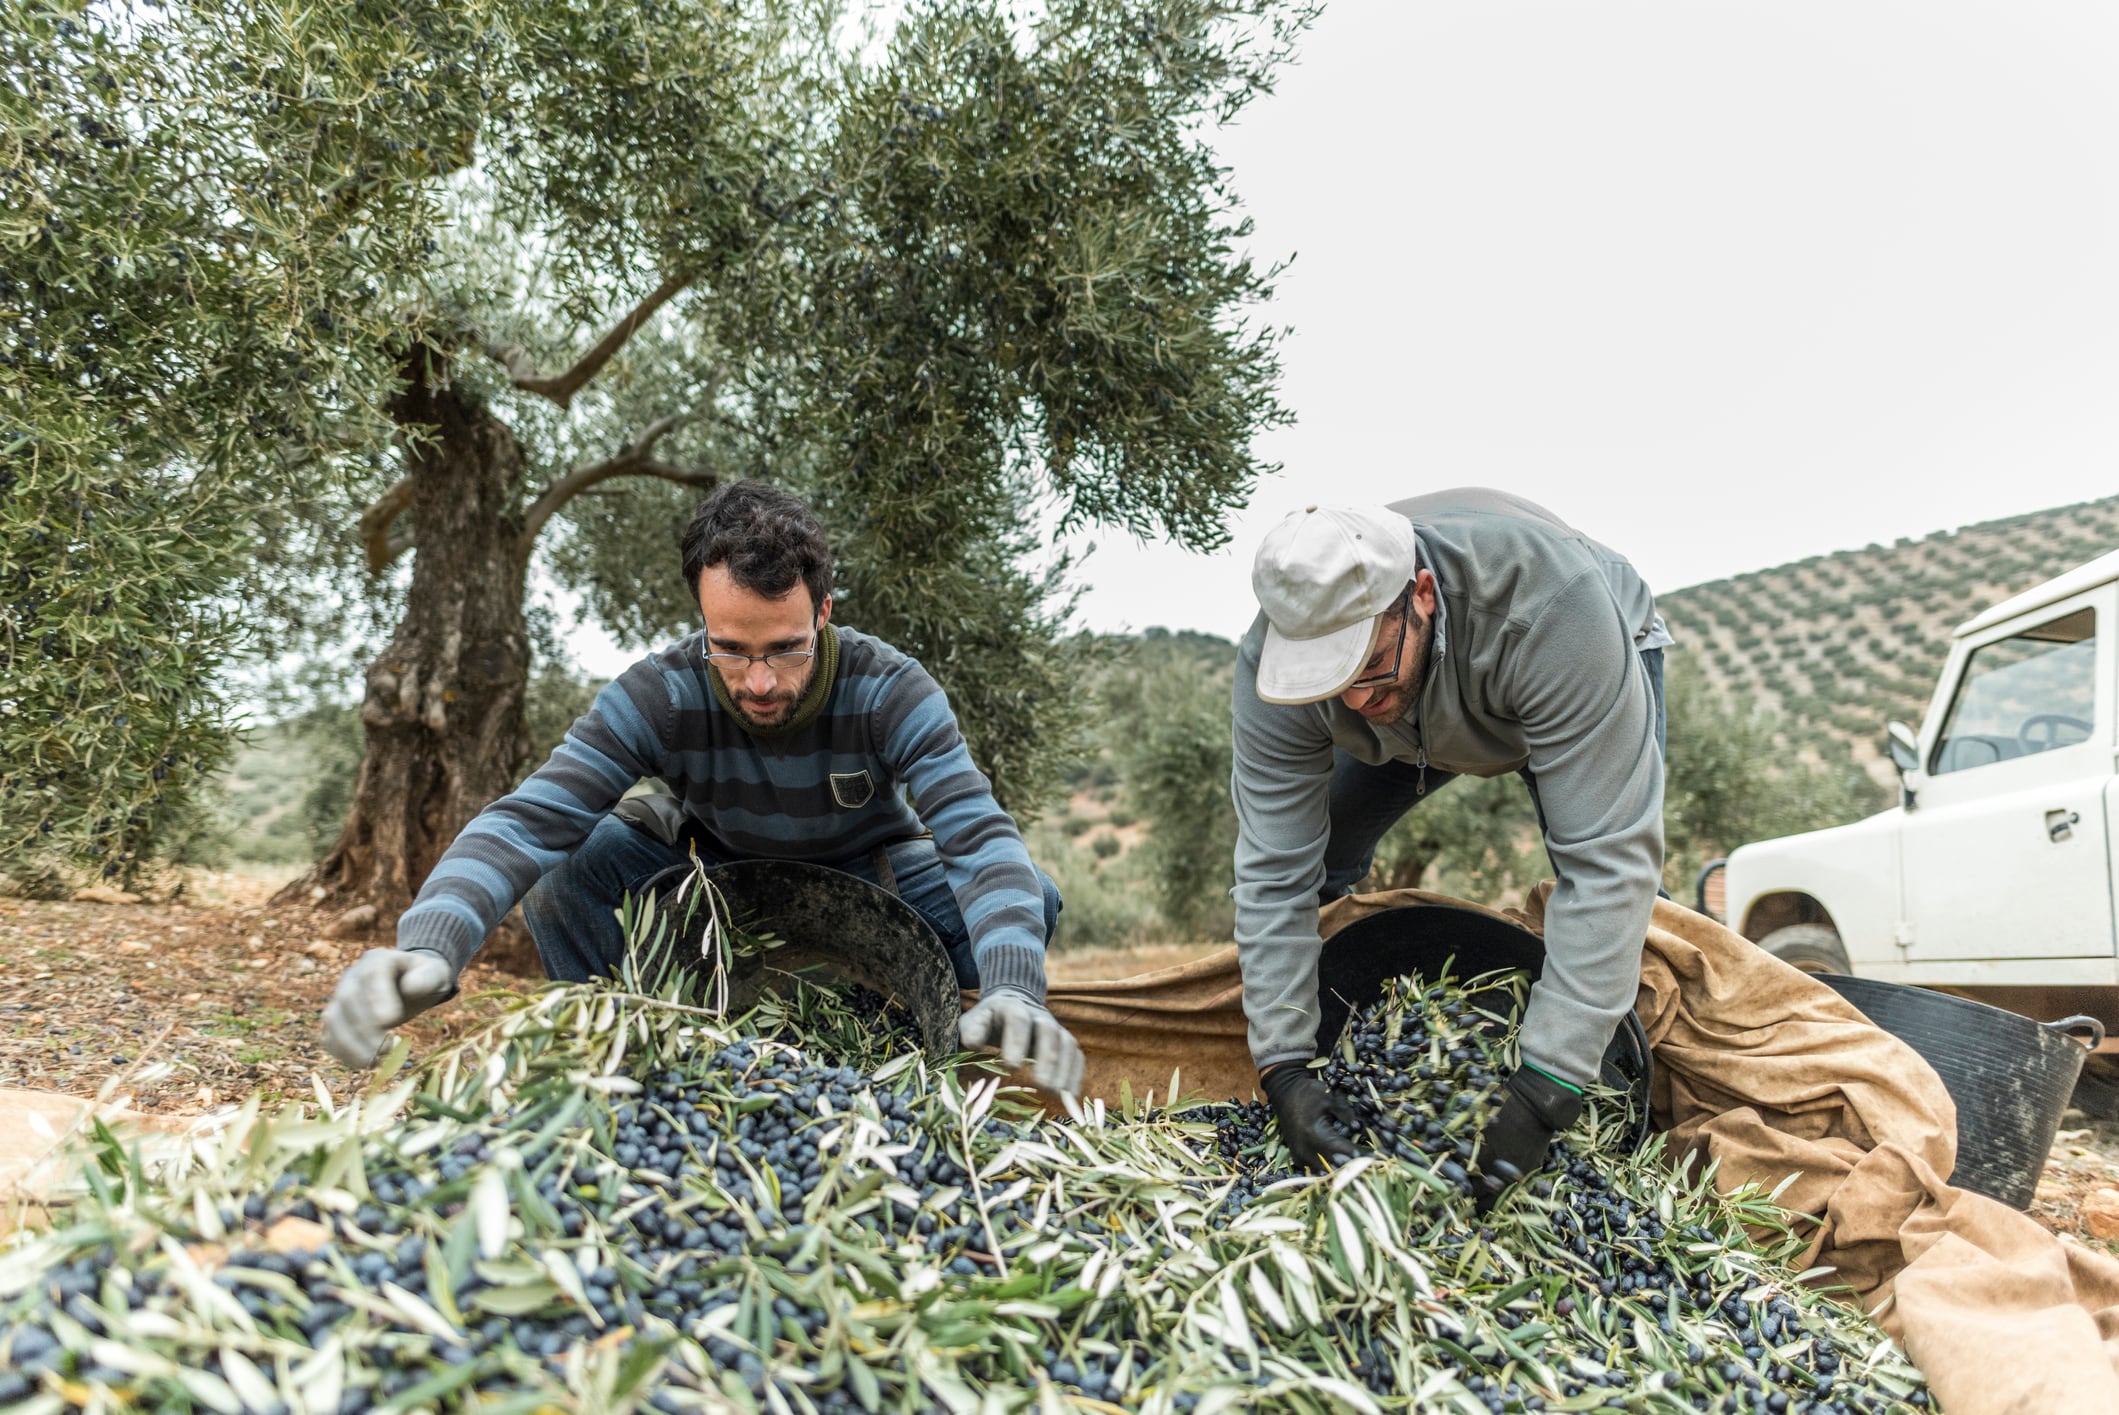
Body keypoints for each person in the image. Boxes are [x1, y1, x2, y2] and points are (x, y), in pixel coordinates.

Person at [321, 481, 1085, 1095]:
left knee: (1032, 898)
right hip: (711, 879)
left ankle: (918, 1074)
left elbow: (977, 837)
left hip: (866, 876)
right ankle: (621, 1063)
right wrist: (429, 946)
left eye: (785, 648)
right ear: (701, 621)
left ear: (823, 612)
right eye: (730, 648)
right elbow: (528, 821)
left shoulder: (891, 689)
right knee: (565, 866)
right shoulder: (659, 693)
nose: (759, 680)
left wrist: (1014, 987)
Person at [1231, 490, 1668, 1199]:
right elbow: (1272, 874)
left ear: (1422, 594)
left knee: (1619, 896)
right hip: (1417, 710)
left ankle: (1622, 1059)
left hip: (1554, 657)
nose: (1351, 700)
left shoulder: (1553, 611)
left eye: (1364, 665)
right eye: (1327, 682)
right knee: (1318, 869)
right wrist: (1281, 1065)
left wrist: (1543, 1086)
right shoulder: (1284, 672)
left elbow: (1608, 863)